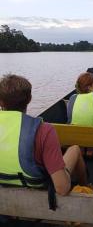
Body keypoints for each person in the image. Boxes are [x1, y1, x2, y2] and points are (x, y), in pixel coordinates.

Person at [0, 74, 88, 208]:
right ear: (29, 99)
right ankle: (85, 186)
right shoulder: (44, 130)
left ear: (1, 101)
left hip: (4, 191)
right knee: (74, 149)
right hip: (38, 188)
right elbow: (62, 189)